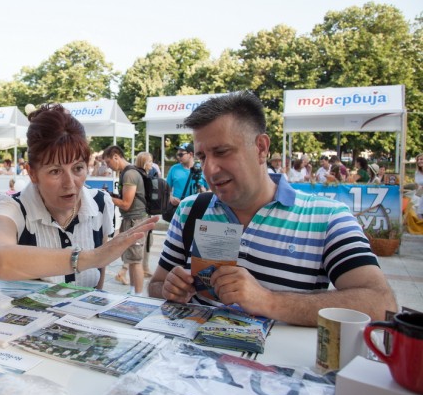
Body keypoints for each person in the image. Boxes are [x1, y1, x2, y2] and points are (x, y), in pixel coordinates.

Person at [148, 91, 396, 326]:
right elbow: (156, 285)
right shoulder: (191, 210)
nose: (209, 169)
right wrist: (170, 289)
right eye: (202, 157)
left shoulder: (328, 218)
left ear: (261, 148)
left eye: (222, 152)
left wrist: (267, 300)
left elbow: (381, 304)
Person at [0, 103, 157, 289]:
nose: (70, 183)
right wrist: (88, 258)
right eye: (55, 171)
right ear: (32, 173)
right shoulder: (13, 206)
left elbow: (96, 289)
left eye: (78, 168)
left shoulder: (99, 203)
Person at [102, 145, 151, 295]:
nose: (109, 167)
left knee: (136, 261)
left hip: (136, 220)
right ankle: (132, 291)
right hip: (133, 220)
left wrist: (106, 197)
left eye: (108, 162)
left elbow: (126, 203)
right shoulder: (128, 172)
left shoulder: (129, 174)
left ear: (116, 156)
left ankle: (138, 295)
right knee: (130, 259)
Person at [114, 151, 156, 286]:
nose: (151, 164)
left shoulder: (138, 174)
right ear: (144, 162)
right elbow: (127, 204)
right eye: (149, 161)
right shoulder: (136, 175)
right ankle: (129, 282)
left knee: (138, 252)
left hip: (140, 218)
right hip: (137, 219)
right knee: (135, 256)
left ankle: (128, 273)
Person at [166, 143, 207, 221]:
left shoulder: (202, 169)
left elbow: (211, 190)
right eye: (177, 154)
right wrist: (170, 198)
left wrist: (204, 193)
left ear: (190, 154)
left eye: (181, 154)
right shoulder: (174, 169)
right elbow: (166, 188)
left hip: (197, 209)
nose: (178, 157)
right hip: (178, 210)